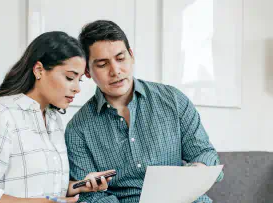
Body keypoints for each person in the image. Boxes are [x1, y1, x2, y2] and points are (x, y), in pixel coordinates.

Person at [65, 20, 224, 203]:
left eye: (120, 58)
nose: (115, 71)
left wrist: (198, 170)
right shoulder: (77, 130)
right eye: (102, 64)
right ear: (87, 71)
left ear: (131, 55)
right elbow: (93, 196)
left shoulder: (173, 100)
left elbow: (204, 153)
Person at [0, 31, 113, 203]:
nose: (77, 88)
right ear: (39, 70)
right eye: (69, 77)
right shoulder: (0, 114)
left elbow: (44, 188)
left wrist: (79, 185)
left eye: (79, 80)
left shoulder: (54, 119)